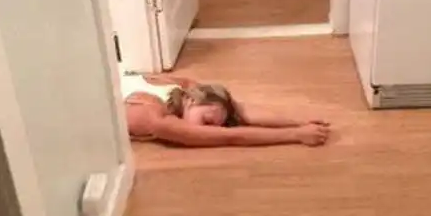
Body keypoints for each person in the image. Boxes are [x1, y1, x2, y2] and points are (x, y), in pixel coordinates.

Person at [121, 73, 331, 147]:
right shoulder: (153, 117)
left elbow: (243, 113)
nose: (213, 129)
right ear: (193, 101)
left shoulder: (185, 88)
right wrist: (295, 135)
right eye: (208, 121)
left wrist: (300, 122)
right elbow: (230, 137)